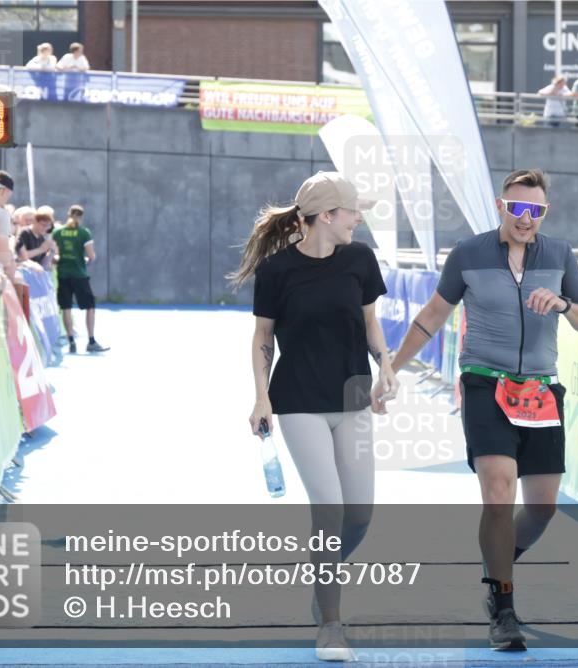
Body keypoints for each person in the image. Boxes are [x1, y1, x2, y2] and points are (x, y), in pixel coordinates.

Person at [388, 169, 578, 651]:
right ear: (502, 207)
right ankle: (503, 608)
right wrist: (393, 368)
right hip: (485, 383)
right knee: (499, 491)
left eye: (537, 211)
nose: (526, 219)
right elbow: (432, 317)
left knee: (543, 507)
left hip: (542, 391)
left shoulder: (560, 254)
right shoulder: (468, 253)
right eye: (518, 208)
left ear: (545, 213)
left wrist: (565, 304)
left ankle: (495, 563)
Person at [230, 171, 398, 662]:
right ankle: (331, 623)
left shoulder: (359, 259)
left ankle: (323, 578)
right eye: (352, 211)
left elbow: (370, 323)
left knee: (360, 516)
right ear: (327, 216)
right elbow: (263, 338)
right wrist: (261, 397)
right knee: (329, 509)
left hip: (353, 396)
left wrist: (385, 364)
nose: (359, 218)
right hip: (299, 400)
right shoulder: (277, 269)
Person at [52, 205, 109, 353]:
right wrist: (83, 259)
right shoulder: (84, 233)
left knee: (66, 308)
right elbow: (91, 256)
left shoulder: (58, 232)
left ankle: (71, 341)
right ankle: (91, 340)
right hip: (79, 275)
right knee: (90, 307)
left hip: (63, 274)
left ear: (68, 214)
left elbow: (55, 255)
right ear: (81, 216)